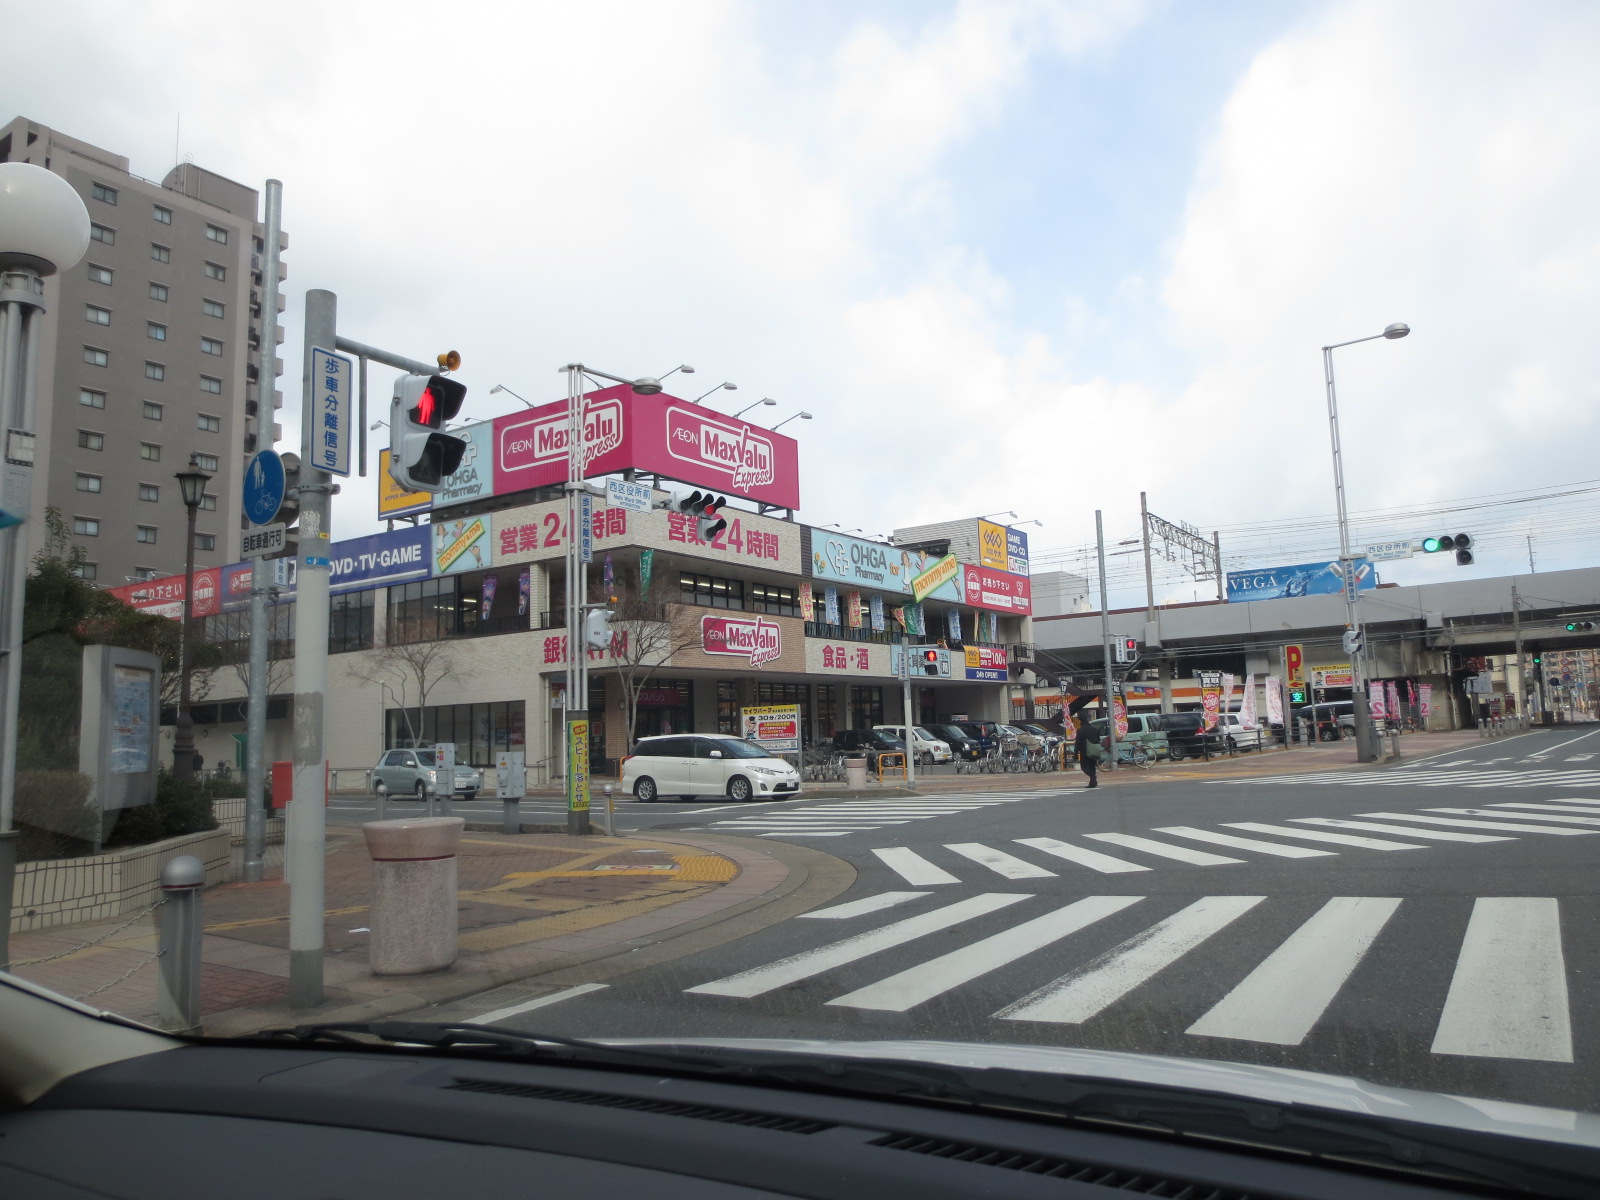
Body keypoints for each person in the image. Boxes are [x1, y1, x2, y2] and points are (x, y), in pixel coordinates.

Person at [1073, 721, 1099, 789]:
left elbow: (1078, 743)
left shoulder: (1080, 731)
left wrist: (1075, 753)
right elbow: (1098, 739)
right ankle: (1092, 782)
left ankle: (1092, 777)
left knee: (1084, 767)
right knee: (1092, 766)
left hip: (1084, 751)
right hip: (1094, 750)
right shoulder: (1094, 729)